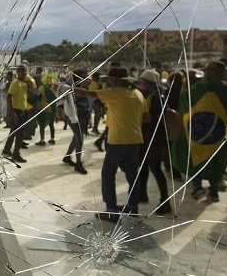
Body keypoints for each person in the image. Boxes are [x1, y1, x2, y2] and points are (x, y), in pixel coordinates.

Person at [77, 66, 147, 218]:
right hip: (136, 140)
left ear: (115, 80)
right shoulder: (138, 93)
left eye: (110, 79)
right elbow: (146, 118)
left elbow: (86, 93)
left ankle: (112, 211)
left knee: (108, 174)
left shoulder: (114, 92)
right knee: (133, 175)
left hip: (118, 141)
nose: (109, 81)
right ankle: (132, 207)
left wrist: (67, 89)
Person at [171, 61, 227, 202]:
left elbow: (185, 101)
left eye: (210, 70)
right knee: (212, 160)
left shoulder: (200, 89)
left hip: (201, 134)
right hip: (214, 135)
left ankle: (201, 188)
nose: (209, 73)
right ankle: (210, 191)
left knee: (198, 159)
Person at [136, 69, 172, 214]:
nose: (140, 84)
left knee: (155, 168)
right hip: (147, 136)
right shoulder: (151, 95)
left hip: (154, 138)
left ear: (149, 84)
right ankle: (142, 194)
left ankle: (165, 201)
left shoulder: (157, 98)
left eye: (142, 82)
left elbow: (154, 119)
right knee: (144, 166)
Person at [59, 69, 88, 174]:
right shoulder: (70, 85)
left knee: (77, 137)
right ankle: (78, 164)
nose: (87, 77)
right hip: (73, 115)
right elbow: (78, 96)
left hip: (83, 113)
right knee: (79, 138)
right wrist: (84, 88)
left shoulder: (82, 84)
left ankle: (67, 157)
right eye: (85, 75)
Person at [2, 65, 29, 163]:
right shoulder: (16, 83)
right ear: (18, 73)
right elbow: (9, 97)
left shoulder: (23, 83)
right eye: (23, 73)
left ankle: (6, 149)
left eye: (26, 73)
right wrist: (13, 113)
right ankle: (16, 154)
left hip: (21, 110)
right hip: (16, 111)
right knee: (20, 134)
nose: (25, 75)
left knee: (13, 132)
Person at [35, 74, 57, 146]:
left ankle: (42, 140)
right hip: (52, 108)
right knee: (51, 124)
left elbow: (38, 96)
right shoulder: (54, 88)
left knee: (42, 124)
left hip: (43, 108)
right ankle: (52, 139)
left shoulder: (41, 88)